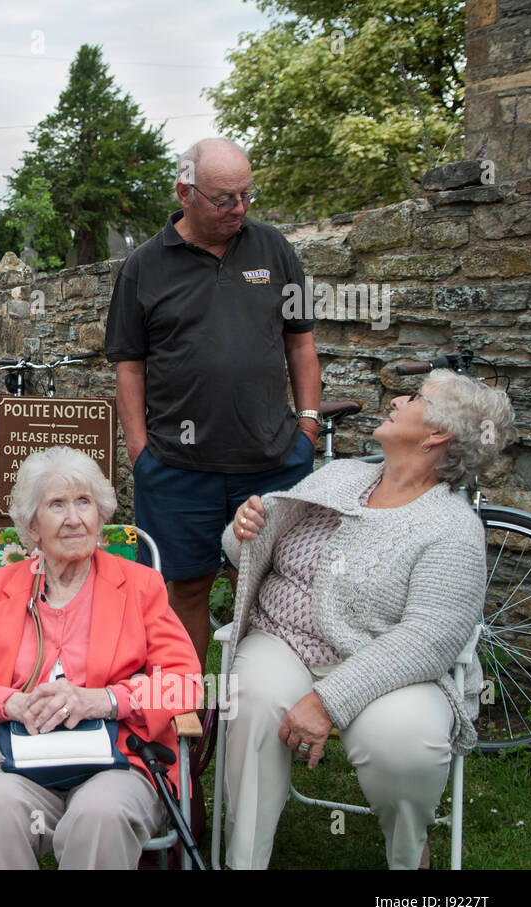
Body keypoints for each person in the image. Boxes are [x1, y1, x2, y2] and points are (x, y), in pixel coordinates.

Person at [220, 371, 515, 869]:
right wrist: (244, 529)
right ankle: (242, 860)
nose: (398, 398)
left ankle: (408, 857)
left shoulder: (452, 529)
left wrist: (327, 701)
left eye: (416, 397)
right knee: (252, 701)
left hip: (383, 665)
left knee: (405, 742)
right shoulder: (343, 477)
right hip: (283, 641)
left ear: (438, 433)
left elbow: (427, 640)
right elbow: (246, 552)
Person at [0, 446, 203, 869]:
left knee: (99, 815)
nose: (75, 518)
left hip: (118, 763)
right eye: (57, 505)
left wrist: (105, 700)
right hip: (20, 762)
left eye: (84, 502)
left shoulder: (139, 585)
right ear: (32, 526)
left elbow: (185, 681)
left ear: (100, 514)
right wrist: (10, 703)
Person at [105, 137, 321, 669]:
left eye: (247, 194)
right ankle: (190, 716)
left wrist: (308, 427)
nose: (240, 208)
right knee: (188, 588)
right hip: (179, 468)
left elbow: (301, 342)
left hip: (271, 461)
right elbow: (129, 366)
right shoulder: (144, 267)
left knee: (268, 591)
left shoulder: (272, 249)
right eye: (225, 198)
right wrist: (140, 454)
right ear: (185, 192)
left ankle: (256, 713)